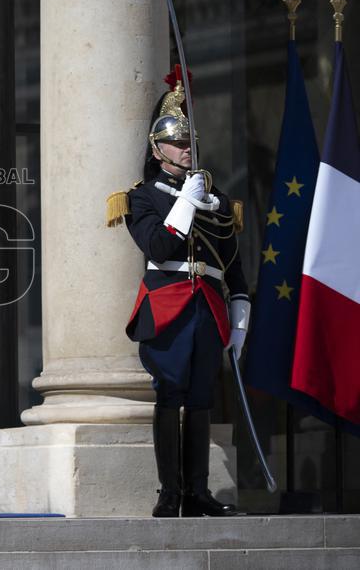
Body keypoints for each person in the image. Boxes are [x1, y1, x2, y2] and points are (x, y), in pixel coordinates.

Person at [113, 67, 250, 517]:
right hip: (168, 302)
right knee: (170, 393)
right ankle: (169, 491)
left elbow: (232, 267)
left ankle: (198, 492)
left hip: (208, 307)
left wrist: (241, 315)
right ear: (157, 149)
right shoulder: (141, 198)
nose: (187, 149)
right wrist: (186, 202)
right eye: (177, 143)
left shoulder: (217, 199)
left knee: (201, 397)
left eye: (190, 142)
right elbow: (159, 245)